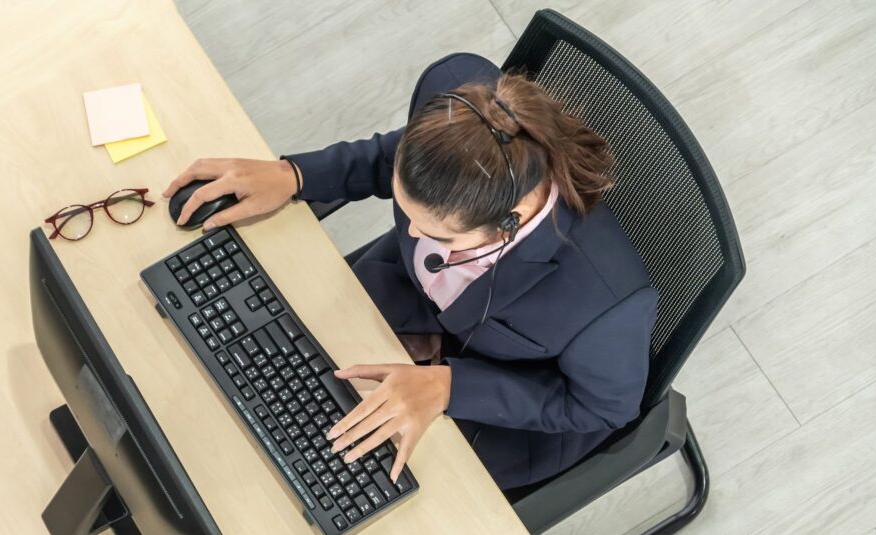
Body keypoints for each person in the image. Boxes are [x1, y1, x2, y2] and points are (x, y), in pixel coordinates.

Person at [164, 52, 657, 492]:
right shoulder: (454, 97)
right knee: (253, 376)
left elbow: (602, 410)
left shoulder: (607, 306)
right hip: (402, 301)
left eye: (440, 236)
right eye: (410, 217)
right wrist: (295, 176)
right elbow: (390, 159)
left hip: (494, 399)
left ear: (514, 220)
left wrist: (450, 386)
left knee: (327, 476)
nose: (416, 241)